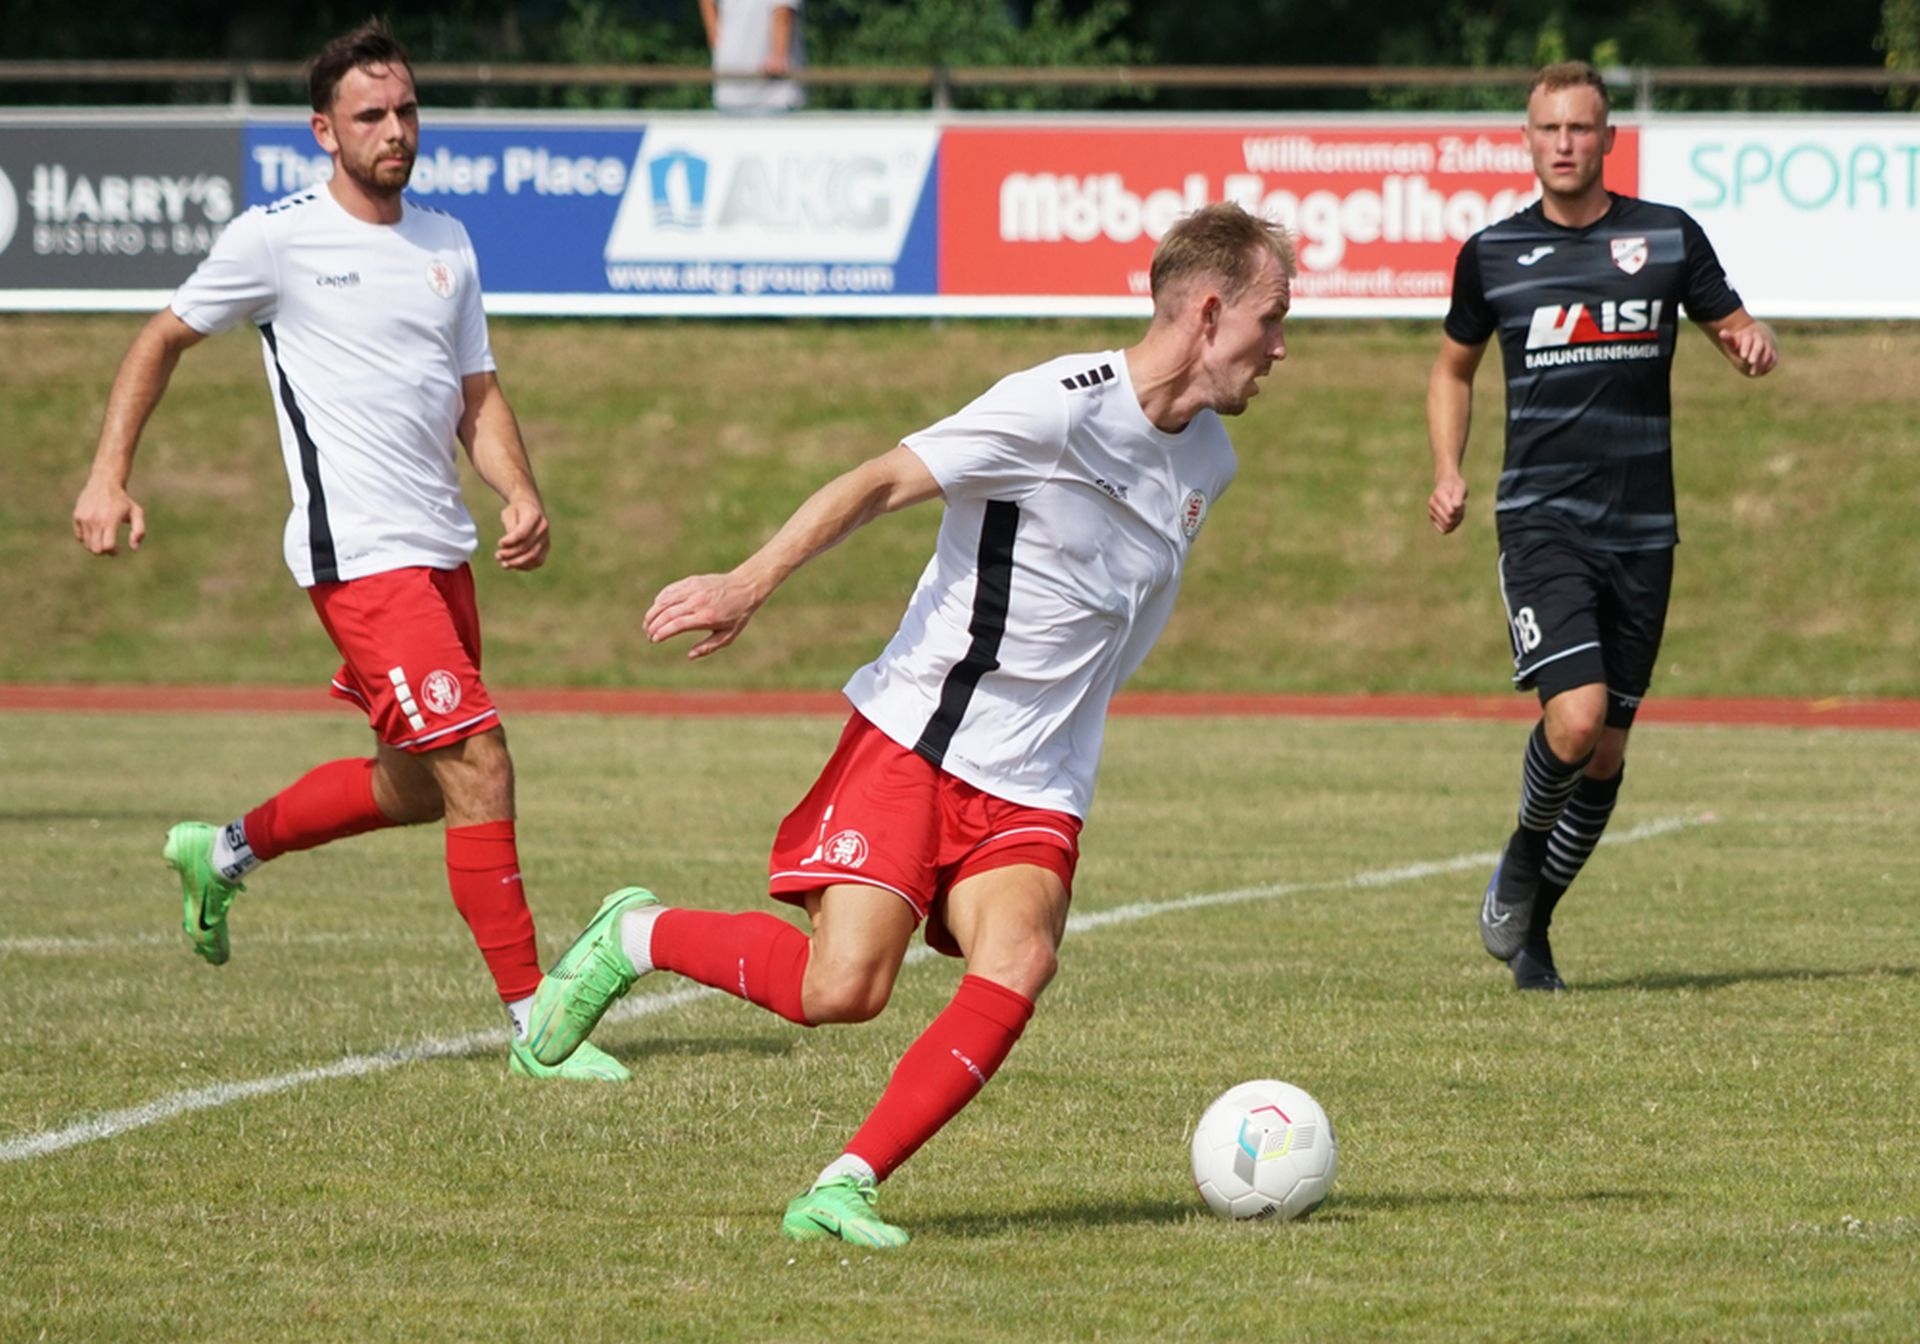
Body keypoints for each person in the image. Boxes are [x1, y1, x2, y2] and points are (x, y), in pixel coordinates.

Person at [525, 201, 1296, 1247]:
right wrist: (748, 582)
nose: (1280, 347)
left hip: (1038, 780)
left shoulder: (1212, 461)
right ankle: (635, 934)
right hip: (922, 738)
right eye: (1271, 318)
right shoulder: (1054, 408)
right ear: (1207, 312)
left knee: (1019, 959)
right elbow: (883, 479)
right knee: (842, 988)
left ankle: (844, 1186)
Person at [69, 19, 626, 1083]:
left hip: (441, 553)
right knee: (481, 760)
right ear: (324, 131)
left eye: (407, 110)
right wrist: (108, 474)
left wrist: (518, 491)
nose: (395, 130)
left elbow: (476, 394)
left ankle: (222, 851)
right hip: (360, 559)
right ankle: (537, 1025)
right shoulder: (274, 240)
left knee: (419, 786)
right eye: (371, 115)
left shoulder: (448, 240)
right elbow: (162, 337)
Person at [1426, 60, 1778, 992]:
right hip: (1542, 520)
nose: (1565, 144)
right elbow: (1452, 368)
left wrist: (1752, 344)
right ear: (1527, 140)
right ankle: (1520, 853)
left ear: (1609, 138)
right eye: (1549, 129)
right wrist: (1449, 469)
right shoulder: (1492, 253)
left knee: (1608, 749)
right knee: (1575, 721)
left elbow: (1737, 326)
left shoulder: (1665, 237)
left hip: (1645, 529)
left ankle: (1534, 926)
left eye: (1581, 128)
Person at [700, 0, 805, 113]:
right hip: (765, 91)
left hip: (769, 93)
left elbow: (783, 12)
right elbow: (783, 13)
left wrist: (778, 55)